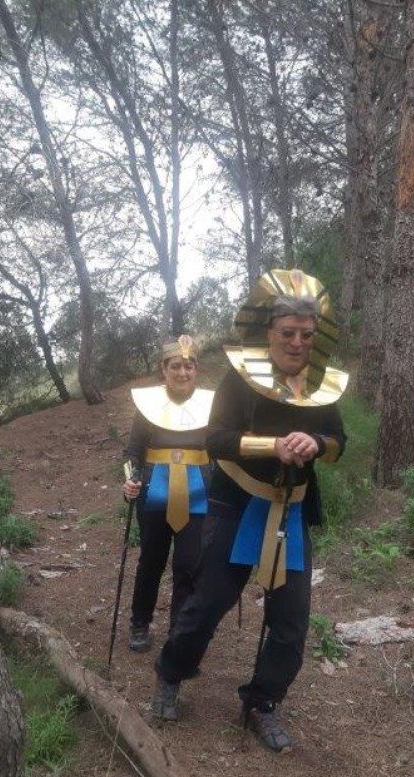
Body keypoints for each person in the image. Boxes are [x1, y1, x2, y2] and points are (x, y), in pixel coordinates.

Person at [151, 269, 348, 752]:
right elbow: (215, 439)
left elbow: (339, 440)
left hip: (292, 513)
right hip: (237, 506)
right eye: (289, 333)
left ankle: (261, 702)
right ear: (269, 332)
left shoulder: (321, 385)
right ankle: (171, 672)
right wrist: (271, 445)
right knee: (208, 605)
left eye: (307, 335)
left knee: (291, 621)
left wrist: (317, 443)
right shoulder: (240, 381)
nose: (298, 343)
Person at [122, 334, 214, 652]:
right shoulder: (147, 406)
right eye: (175, 366)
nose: (182, 372)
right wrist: (130, 479)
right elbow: (132, 453)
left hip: (198, 495)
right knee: (151, 562)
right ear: (164, 369)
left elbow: (221, 451)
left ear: (196, 369)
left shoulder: (212, 406)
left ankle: (180, 631)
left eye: (188, 366)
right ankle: (139, 622)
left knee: (189, 565)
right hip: (154, 493)